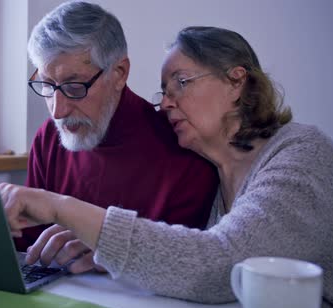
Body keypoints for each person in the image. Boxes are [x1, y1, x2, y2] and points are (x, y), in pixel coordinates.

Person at [0, 26, 333, 308]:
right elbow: (181, 255)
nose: (165, 103)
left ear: (237, 81)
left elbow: (218, 265)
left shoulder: (304, 155)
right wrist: (102, 253)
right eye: (163, 90)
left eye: (181, 82)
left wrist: (58, 206)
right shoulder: (212, 179)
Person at [16, 1, 219, 274]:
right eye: (47, 85)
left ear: (119, 73)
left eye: (75, 86)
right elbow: (26, 249)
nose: (58, 110)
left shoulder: (183, 151)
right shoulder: (49, 140)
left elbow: (185, 269)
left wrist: (108, 246)